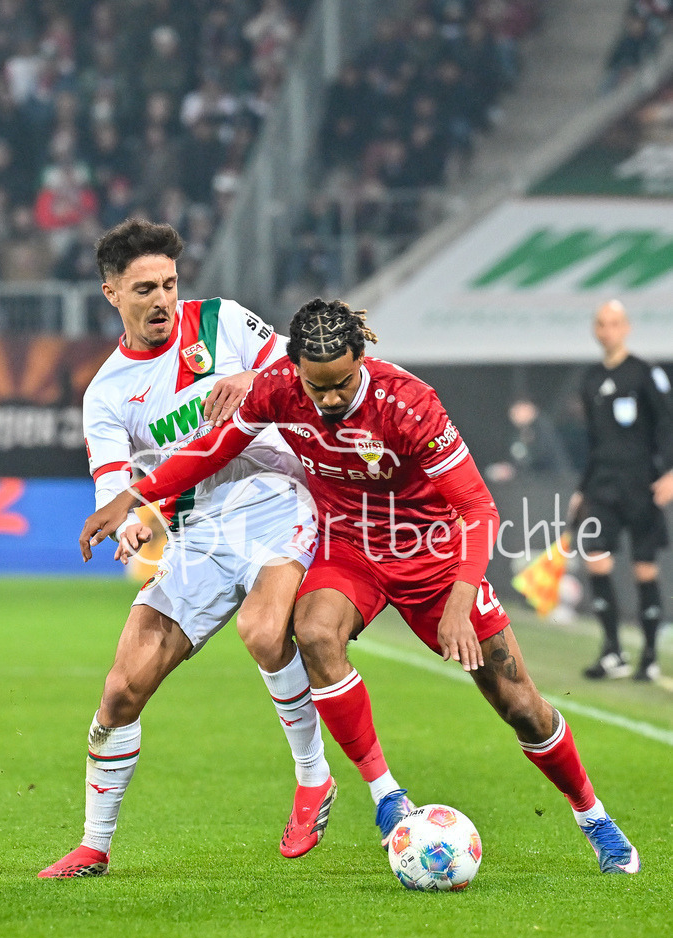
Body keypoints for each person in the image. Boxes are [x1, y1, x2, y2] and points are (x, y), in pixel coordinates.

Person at [83, 297, 641, 875]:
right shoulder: (278, 388)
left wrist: (459, 602)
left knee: (519, 704)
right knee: (314, 632)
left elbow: (478, 510)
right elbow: (211, 450)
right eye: (317, 387)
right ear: (295, 367)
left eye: (342, 384)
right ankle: (386, 794)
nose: (329, 400)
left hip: (430, 555)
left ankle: (593, 816)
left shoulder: (409, 404)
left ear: (362, 359)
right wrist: (135, 495)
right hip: (349, 548)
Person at [39, 219, 343, 878]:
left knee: (264, 631)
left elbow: (306, 369)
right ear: (111, 294)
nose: (162, 301)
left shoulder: (222, 322)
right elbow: (112, 482)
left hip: (274, 502)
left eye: (170, 285)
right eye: (144, 288)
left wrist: (254, 381)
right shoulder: (106, 393)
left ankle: (313, 776)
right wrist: (129, 521)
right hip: (195, 537)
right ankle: (94, 844)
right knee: (122, 690)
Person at [568, 300, 673, 682]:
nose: (607, 330)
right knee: (595, 560)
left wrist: (670, 473)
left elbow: (667, 424)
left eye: (614, 323)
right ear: (595, 329)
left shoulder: (645, 373)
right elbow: (594, 441)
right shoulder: (590, 379)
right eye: (601, 323)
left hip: (641, 485)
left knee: (644, 568)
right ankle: (613, 651)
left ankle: (649, 656)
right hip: (602, 486)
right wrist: (582, 488)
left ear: (626, 327)